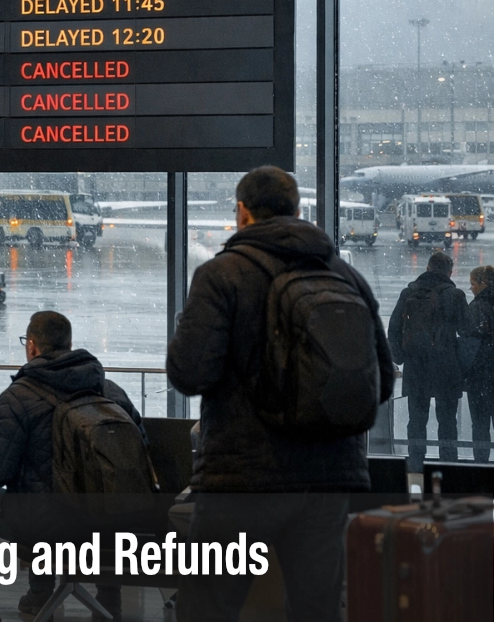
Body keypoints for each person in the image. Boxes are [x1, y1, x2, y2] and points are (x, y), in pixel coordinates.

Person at [167, 166, 395, 622]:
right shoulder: (346, 275)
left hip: (242, 479)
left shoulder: (222, 274)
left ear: (242, 212)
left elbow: (189, 373)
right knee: (317, 611)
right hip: (329, 480)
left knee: (207, 608)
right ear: (296, 210)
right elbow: (383, 381)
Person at [0, 311, 145, 622]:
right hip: (111, 528)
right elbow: (136, 451)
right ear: (70, 345)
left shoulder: (19, 397)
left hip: (51, 528)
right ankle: (106, 605)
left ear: (32, 347)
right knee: (96, 490)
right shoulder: (109, 390)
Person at [388, 251, 469, 471]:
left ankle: (416, 469)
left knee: (416, 421)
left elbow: (394, 328)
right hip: (446, 366)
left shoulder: (409, 292)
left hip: (416, 366)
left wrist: (400, 357)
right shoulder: (456, 295)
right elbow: (466, 330)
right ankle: (448, 468)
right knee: (447, 421)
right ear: (449, 272)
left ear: (427, 268)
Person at [463, 265, 494, 463]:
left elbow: (469, 343)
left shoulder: (476, 308)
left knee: (480, 425)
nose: (472, 289)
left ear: (483, 284)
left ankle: (481, 469)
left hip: (481, 377)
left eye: (473, 284)